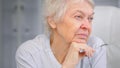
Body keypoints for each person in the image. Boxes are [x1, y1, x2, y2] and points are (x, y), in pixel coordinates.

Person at [16, 0, 106, 68]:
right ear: (53, 21)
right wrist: (69, 64)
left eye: (90, 18)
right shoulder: (29, 54)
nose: (87, 26)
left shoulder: (96, 47)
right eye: (78, 16)